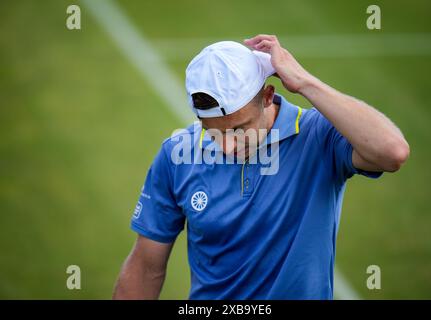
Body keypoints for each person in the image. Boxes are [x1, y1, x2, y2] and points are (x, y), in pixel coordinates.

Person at [113, 34, 410, 299]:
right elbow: (144, 268)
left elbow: (392, 152)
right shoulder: (177, 154)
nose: (228, 146)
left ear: (267, 97)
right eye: (213, 131)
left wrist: (303, 81)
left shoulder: (318, 136)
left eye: (239, 128)